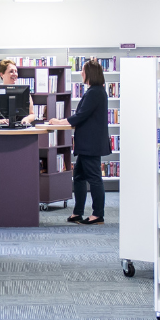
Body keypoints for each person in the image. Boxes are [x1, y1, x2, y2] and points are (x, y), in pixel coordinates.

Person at [50, 60, 109, 225]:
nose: (81, 73)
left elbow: (80, 116)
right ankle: (78, 212)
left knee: (94, 178)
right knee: (79, 177)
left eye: (83, 71)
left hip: (91, 145)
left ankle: (98, 214)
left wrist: (59, 122)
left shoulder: (95, 93)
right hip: (87, 144)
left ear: (89, 73)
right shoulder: (95, 91)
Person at [0, 60, 39, 126]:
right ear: (2, 74)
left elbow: (32, 114)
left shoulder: (25, 93)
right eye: (11, 71)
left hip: (20, 130)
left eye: (16, 71)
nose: (15, 74)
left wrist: (27, 119)